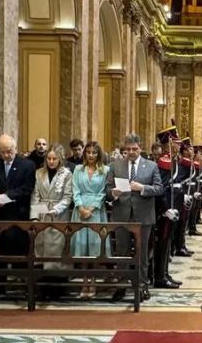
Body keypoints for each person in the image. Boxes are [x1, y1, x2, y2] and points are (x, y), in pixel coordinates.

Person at [106, 134, 164, 302]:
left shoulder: (151, 166)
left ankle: (142, 285)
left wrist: (143, 188)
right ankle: (121, 285)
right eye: (128, 149)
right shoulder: (116, 165)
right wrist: (113, 193)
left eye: (134, 149)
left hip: (143, 217)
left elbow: (159, 189)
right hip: (121, 215)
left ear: (140, 148)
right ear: (124, 149)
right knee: (121, 252)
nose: (131, 152)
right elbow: (107, 190)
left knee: (142, 253)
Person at [0, 134, 36, 300]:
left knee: (20, 251)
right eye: (3, 152)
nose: (6, 155)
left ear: (15, 148)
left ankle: (23, 285)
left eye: (9, 151)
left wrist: (7, 196)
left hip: (17, 214)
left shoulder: (27, 165)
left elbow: (27, 188)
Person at [31, 148, 74, 299]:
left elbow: (68, 197)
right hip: (42, 213)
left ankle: (59, 288)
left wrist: (56, 209)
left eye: (54, 159)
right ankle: (43, 288)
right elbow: (35, 195)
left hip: (59, 215)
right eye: (49, 158)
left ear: (60, 159)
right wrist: (35, 217)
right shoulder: (39, 173)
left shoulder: (66, 174)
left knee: (57, 251)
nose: (51, 161)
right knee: (41, 251)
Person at [72, 141, 111, 297]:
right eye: (88, 152)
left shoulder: (105, 170)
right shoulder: (77, 169)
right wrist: (81, 207)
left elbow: (103, 192)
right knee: (82, 248)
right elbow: (75, 189)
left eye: (94, 152)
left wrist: (92, 208)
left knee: (94, 248)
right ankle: (83, 283)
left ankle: (93, 282)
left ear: (98, 154)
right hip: (80, 211)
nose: (90, 155)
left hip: (96, 211)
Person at [152, 125, 182, 288]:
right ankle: (159, 277)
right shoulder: (165, 162)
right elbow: (161, 188)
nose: (178, 146)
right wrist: (165, 210)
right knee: (163, 242)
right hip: (165, 211)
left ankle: (165, 273)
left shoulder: (171, 160)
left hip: (172, 207)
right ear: (168, 144)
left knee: (168, 241)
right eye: (176, 143)